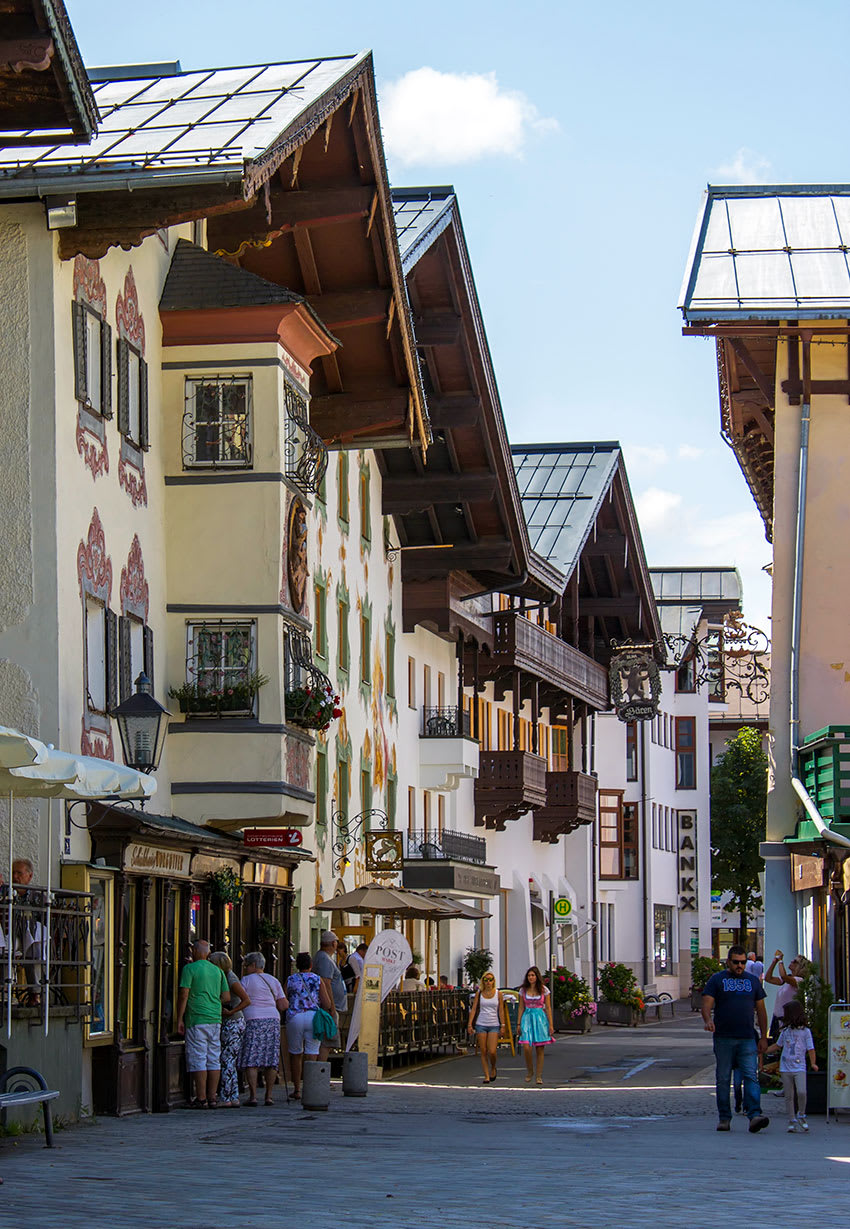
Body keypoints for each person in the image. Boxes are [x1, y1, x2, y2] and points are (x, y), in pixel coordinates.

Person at [702, 944, 769, 1132]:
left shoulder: (753, 981)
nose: (739, 966)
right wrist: (708, 1020)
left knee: (750, 1076)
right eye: (736, 962)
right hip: (723, 1037)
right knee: (723, 1078)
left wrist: (764, 1037)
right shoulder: (717, 979)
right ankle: (724, 1118)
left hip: (747, 1037)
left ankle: (755, 1115)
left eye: (742, 962)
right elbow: (706, 1003)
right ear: (728, 962)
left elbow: (761, 1010)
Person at [176, 939, 231, 1109]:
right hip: (215, 1018)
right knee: (213, 1058)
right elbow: (227, 997)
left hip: (196, 1018)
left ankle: (201, 1099)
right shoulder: (217, 971)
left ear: (194, 950)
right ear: (207, 952)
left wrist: (179, 1018)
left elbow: (184, 994)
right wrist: (214, 1002)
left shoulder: (189, 969)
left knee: (198, 1057)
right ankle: (212, 1097)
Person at [239, 951, 288, 1106]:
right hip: (272, 1020)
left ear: (253, 965)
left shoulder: (246, 980)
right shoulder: (273, 980)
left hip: (253, 1019)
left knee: (251, 1058)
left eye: (247, 966)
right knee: (271, 1058)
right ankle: (269, 1095)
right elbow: (283, 1005)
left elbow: (240, 999)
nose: (245, 969)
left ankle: (253, 1096)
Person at [284, 952, 333, 1100]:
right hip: (313, 1017)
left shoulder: (291, 979)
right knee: (312, 1052)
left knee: (295, 1053)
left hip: (295, 1017)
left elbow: (283, 999)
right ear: (311, 965)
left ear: (297, 965)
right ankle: (310, 1087)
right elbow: (327, 1003)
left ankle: (297, 1089)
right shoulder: (317, 979)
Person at [210, 952, 251, 1109]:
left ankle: (227, 1096)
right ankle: (232, 1096)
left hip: (233, 1022)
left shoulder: (230, 978)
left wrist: (231, 1011)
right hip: (232, 1022)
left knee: (227, 1059)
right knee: (229, 1060)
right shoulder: (223, 976)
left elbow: (246, 1000)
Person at [772, 999, 817, 1132]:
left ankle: (801, 1114)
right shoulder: (785, 1031)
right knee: (789, 1095)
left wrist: (813, 1063)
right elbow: (778, 1045)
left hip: (799, 1066)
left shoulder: (805, 1032)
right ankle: (791, 1119)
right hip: (785, 1067)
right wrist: (764, 1050)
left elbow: (811, 1049)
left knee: (802, 1092)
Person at [313, 930, 347, 1060]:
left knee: (328, 1042)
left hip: (331, 1007)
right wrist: (331, 1007)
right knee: (327, 1042)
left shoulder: (325, 958)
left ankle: (320, 1071)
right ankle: (320, 1072)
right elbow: (326, 983)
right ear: (333, 943)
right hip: (328, 1008)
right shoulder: (324, 959)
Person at [517, 966, 554, 1086]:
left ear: (537, 977)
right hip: (527, 1017)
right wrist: (518, 1023)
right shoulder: (523, 990)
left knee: (540, 1048)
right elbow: (521, 1007)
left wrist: (551, 1025)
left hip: (540, 1018)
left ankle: (539, 1075)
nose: (530, 977)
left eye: (532, 975)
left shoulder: (544, 990)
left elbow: (548, 1007)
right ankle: (530, 1070)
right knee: (527, 1046)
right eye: (529, 975)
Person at [467, 970, 506, 1083]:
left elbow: (501, 1011)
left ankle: (493, 1067)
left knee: (492, 1051)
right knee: (483, 1050)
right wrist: (470, 1024)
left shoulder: (498, 993)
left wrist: (503, 1025)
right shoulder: (480, 993)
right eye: (486, 980)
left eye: (490, 980)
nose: (488, 982)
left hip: (494, 1024)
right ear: (483, 981)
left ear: (493, 981)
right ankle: (486, 1075)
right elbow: (474, 1009)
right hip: (481, 1024)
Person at [765, 950, 808, 1039]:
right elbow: (768, 978)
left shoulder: (799, 980)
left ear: (800, 967)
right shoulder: (788, 979)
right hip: (777, 1017)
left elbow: (783, 976)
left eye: (795, 962)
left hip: (787, 1019)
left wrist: (781, 961)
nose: (791, 962)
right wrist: (775, 962)